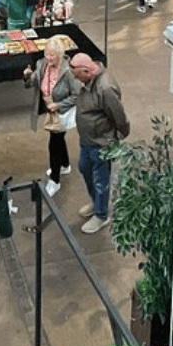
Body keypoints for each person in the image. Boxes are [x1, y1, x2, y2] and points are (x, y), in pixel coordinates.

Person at [69, 53, 130, 234]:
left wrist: (117, 136)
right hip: (88, 140)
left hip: (101, 142)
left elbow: (118, 115)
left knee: (100, 179)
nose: (77, 81)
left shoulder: (105, 88)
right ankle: (96, 203)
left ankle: (101, 215)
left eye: (78, 76)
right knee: (84, 168)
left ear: (87, 71)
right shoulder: (89, 82)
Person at [23, 37, 81, 197]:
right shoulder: (42, 64)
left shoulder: (68, 72)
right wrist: (28, 77)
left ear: (60, 55)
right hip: (49, 110)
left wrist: (59, 105)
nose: (49, 58)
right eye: (47, 54)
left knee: (54, 144)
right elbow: (33, 82)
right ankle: (64, 164)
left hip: (60, 112)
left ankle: (54, 180)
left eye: (52, 55)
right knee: (58, 138)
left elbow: (77, 95)